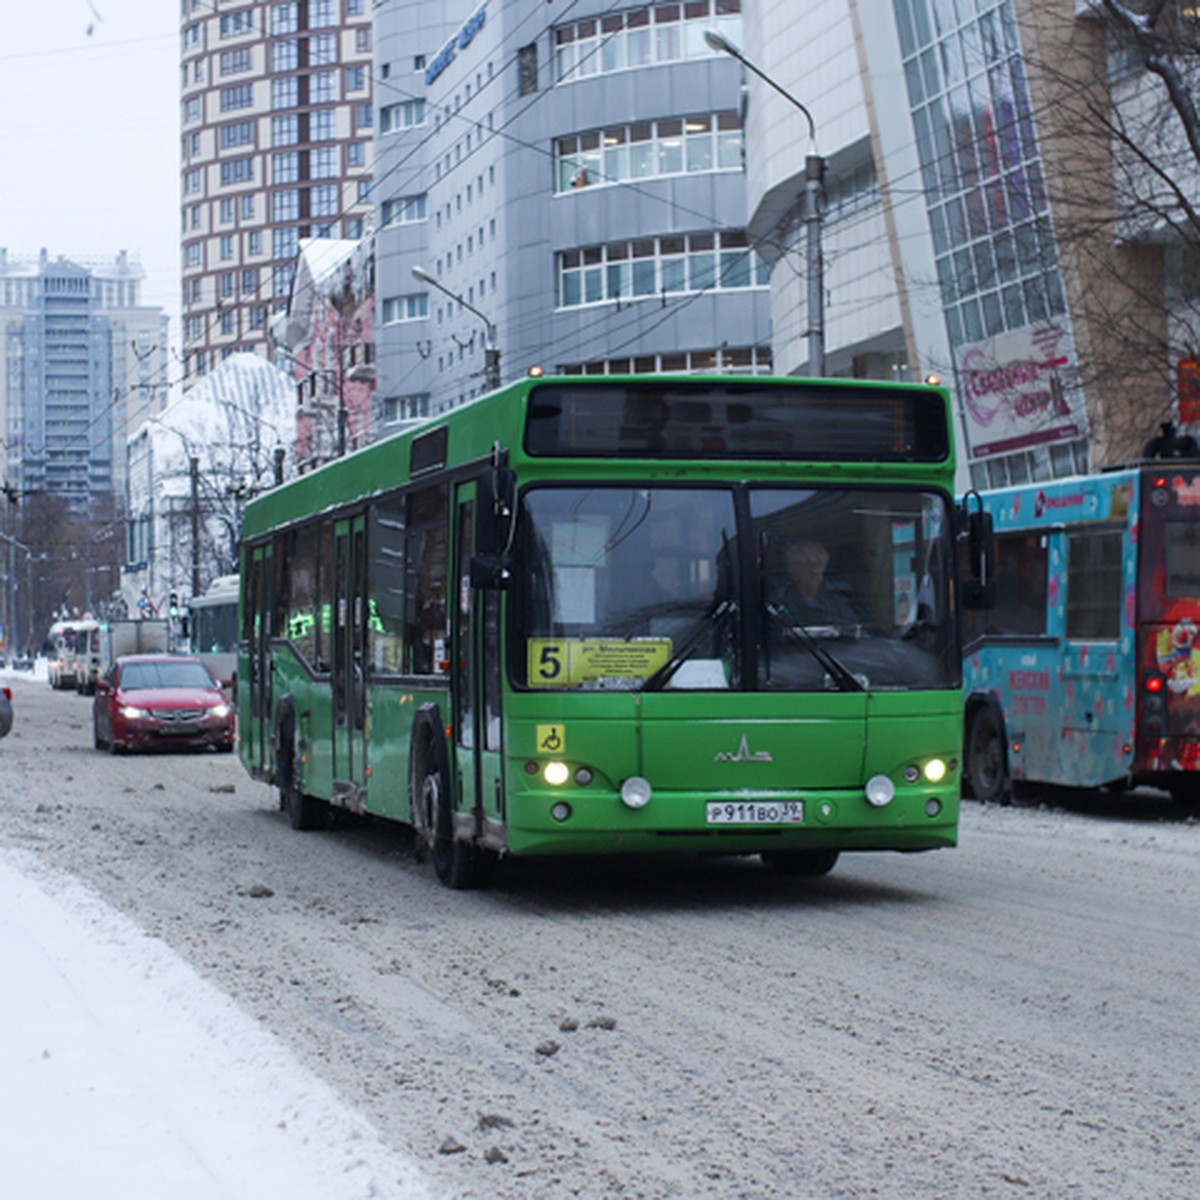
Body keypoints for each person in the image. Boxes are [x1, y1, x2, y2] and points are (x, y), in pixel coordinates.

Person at [772, 539, 864, 629]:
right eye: (807, 564)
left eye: (819, 564)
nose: (815, 570)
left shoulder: (837, 601)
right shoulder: (779, 601)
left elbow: (856, 632)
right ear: (792, 568)